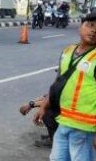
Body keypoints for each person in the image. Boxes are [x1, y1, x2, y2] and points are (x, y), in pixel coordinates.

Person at [34, 12, 96, 161]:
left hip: (86, 128)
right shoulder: (68, 51)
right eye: (90, 25)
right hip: (64, 121)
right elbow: (59, 83)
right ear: (79, 27)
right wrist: (43, 106)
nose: (94, 30)